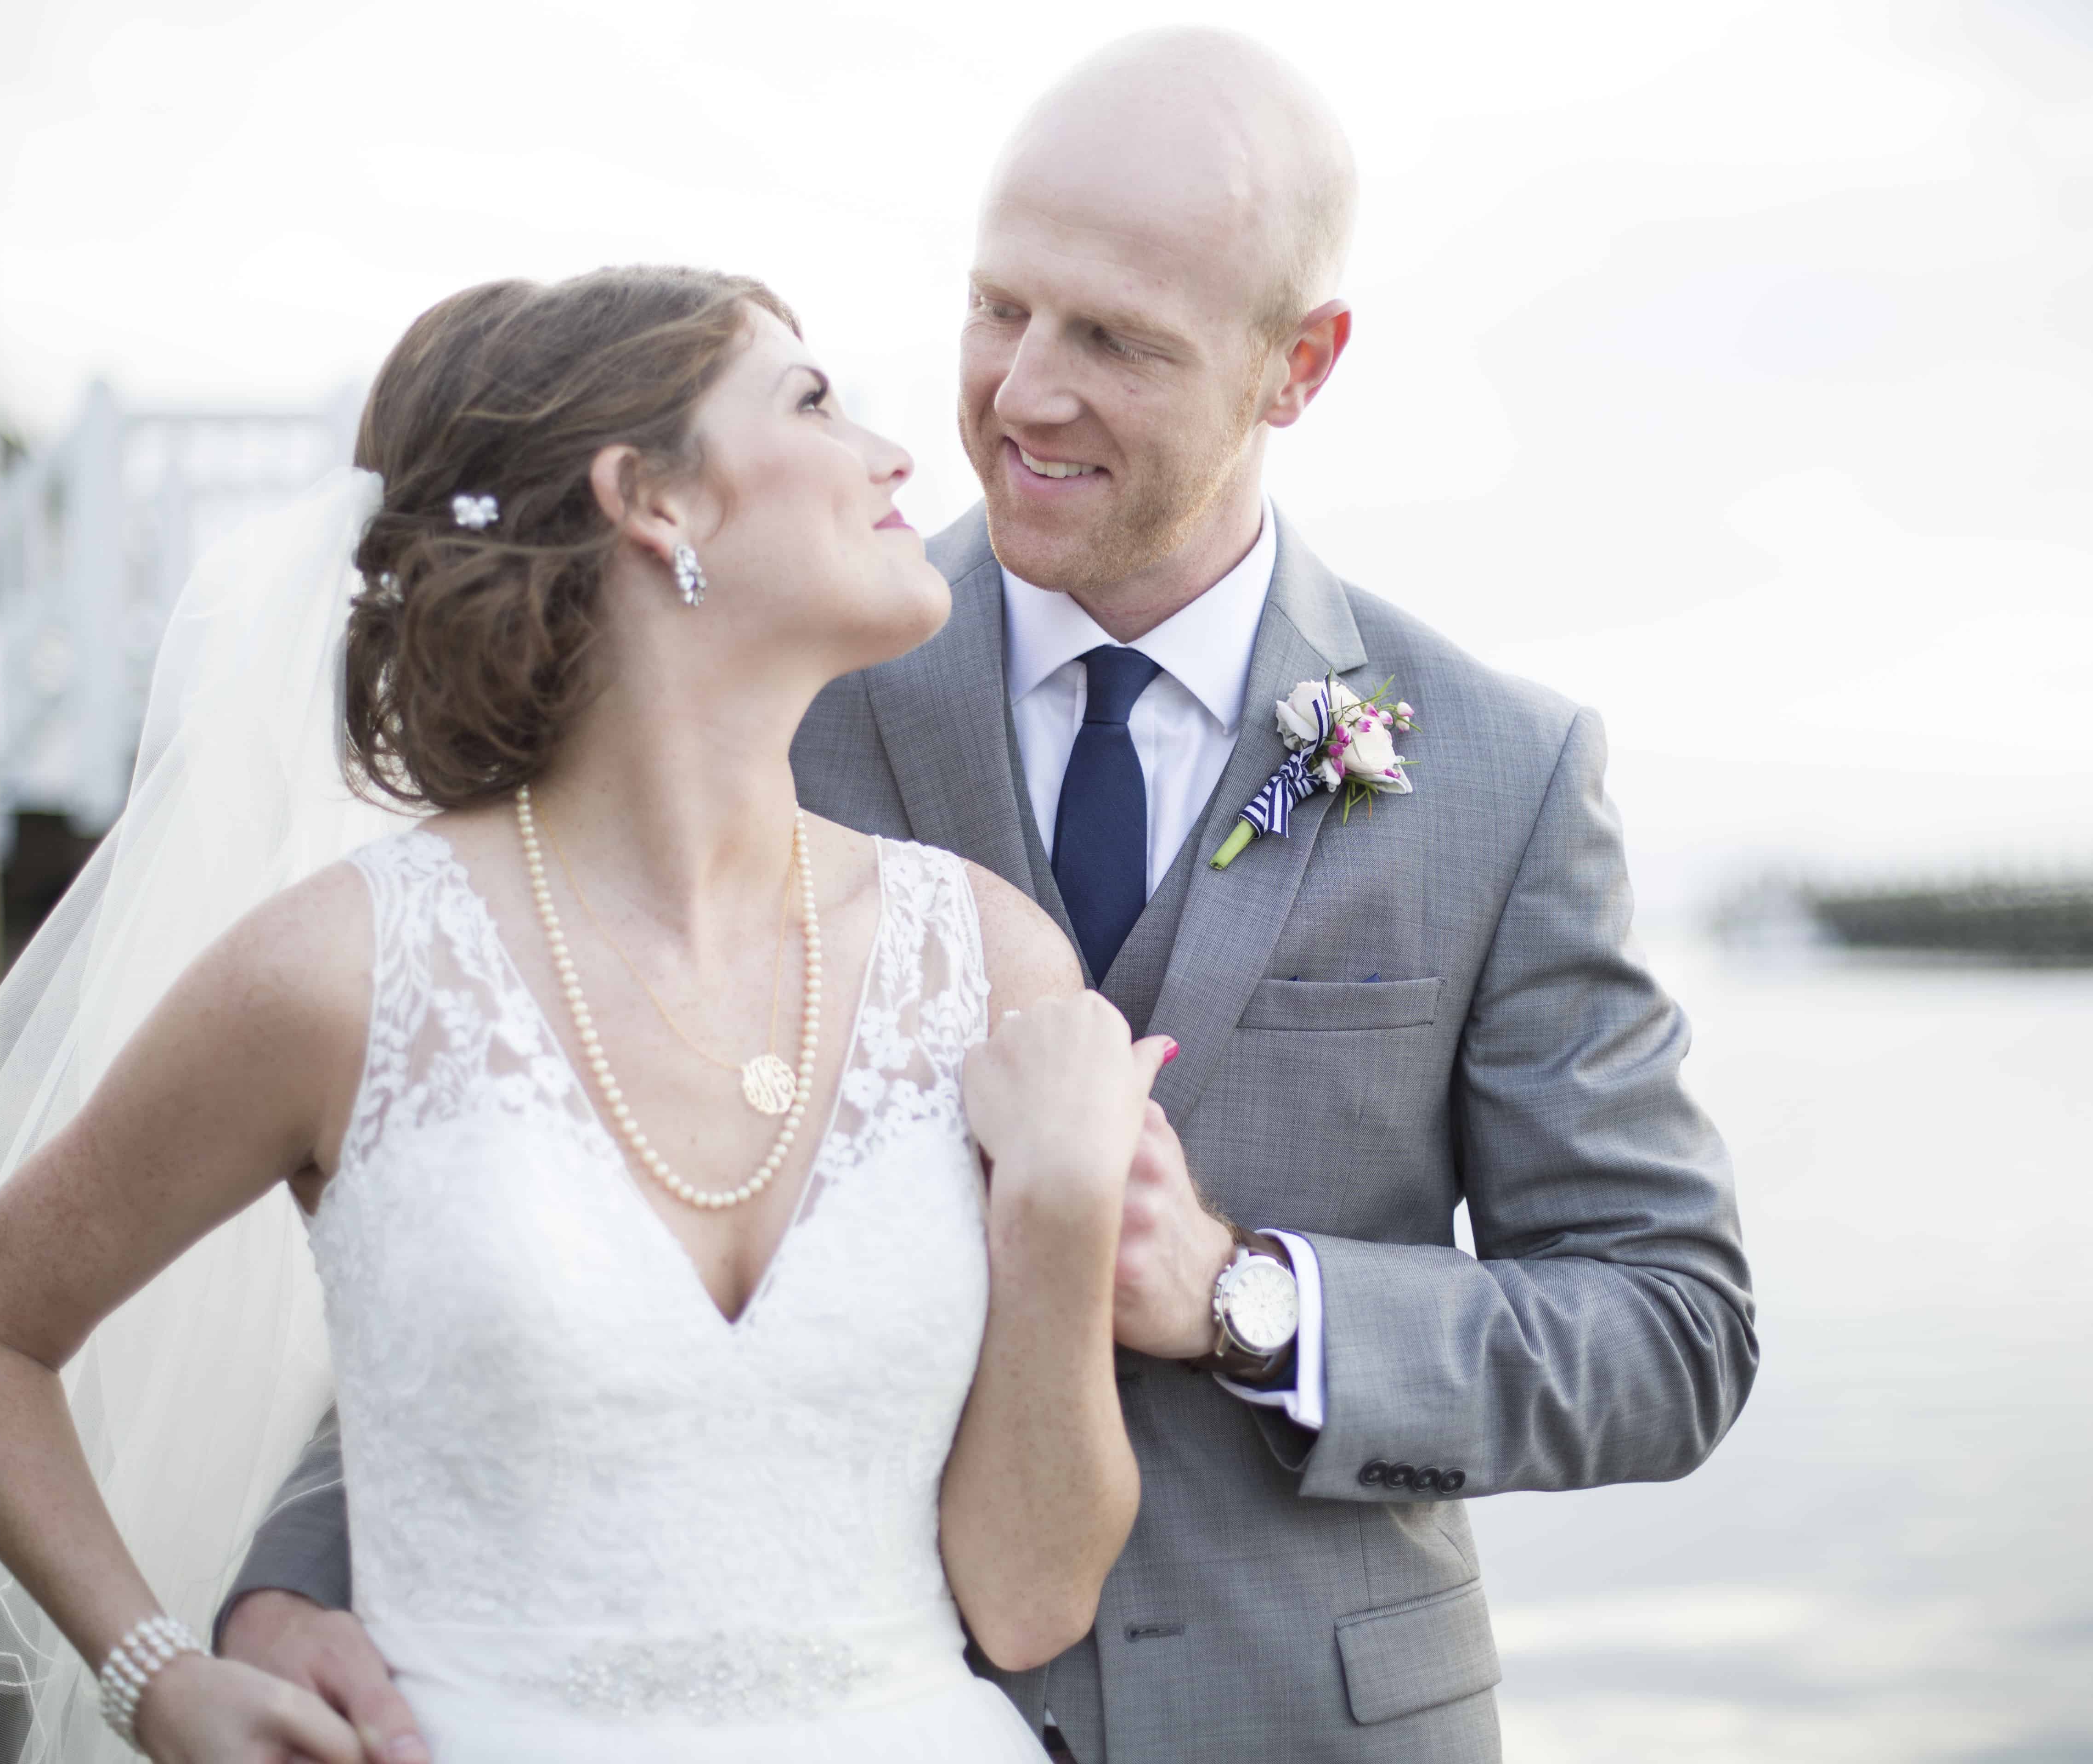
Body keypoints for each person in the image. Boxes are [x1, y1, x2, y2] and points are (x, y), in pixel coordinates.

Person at [224, 28, 1758, 1764]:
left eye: (1113, 338)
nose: (1021, 392)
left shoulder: (1501, 770)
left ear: (1298, 367)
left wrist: (1247, 1298)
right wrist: (296, 1573)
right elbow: (479, 1212)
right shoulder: (761, 690)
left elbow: (1671, 1327)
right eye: (996, 306)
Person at [0, 265, 1166, 1763]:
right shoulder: (339, 973)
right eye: (812, 402)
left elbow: (1025, 1603)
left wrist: (1064, 1213)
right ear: (653, 504)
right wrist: (154, 1674)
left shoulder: (988, 962)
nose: (895, 456)